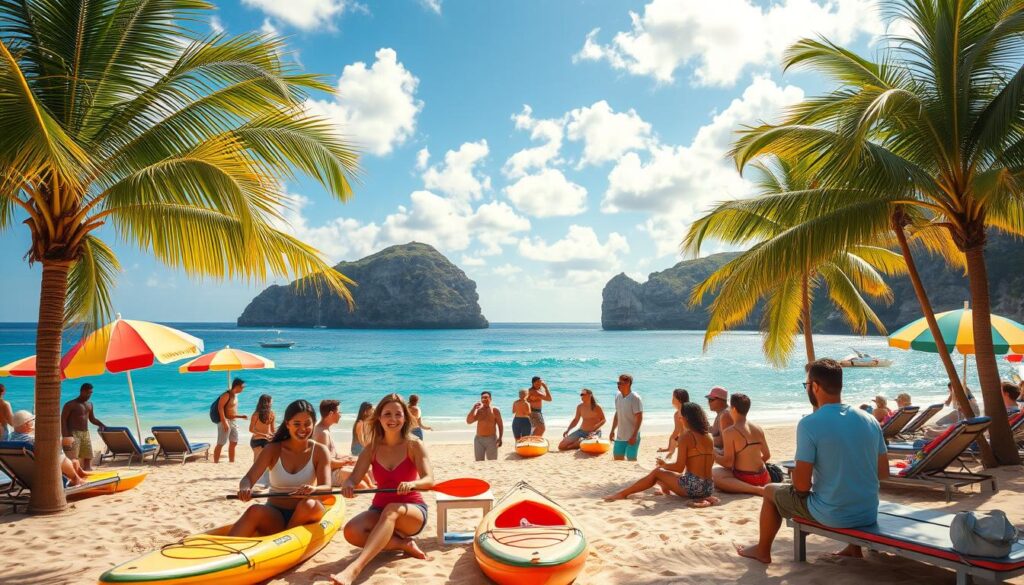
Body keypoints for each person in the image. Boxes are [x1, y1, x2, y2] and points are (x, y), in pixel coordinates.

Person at [736, 358, 888, 564]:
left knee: (771, 490)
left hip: (833, 515)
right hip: (867, 512)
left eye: (806, 385)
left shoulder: (810, 424)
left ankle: (762, 550)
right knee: (847, 481)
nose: (807, 389)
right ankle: (854, 548)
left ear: (815, 386)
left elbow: (801, 485)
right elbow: (883, 473)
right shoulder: (869, 420)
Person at [331, 394, 434, 585]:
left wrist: (413, 484)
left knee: (392, 509)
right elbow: (354, 478)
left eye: (398, 414)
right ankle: (403, 544)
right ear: (379, 417)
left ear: (405, 417)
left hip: (412, 512)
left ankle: (354, 569)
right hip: (378, 511)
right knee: (351, 531)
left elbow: (429, 480)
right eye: (387, 414)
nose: (393, 419)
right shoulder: (372, 447)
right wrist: (349, 485)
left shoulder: (414, 444)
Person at [231, 400, 331, 537]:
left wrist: (314, 490)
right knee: (254, 510)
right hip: (275, 514)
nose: (303, 429)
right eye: (297, 424)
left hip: (306, 513)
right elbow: (248, 479)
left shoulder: (320, 451)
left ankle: (284, 539)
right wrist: (245, 488)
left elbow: (327, 488)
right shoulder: (273, 449)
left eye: (307, 424)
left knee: (309, 505)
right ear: (287, 424)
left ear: (313, 423)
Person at [604, 402, 717, 507]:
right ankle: (667, 492)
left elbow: (679, 467)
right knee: (661, 475)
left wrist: (663, 465)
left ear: (687, 418)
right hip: (708, 487)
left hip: (694, 488)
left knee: (657, 472)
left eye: (681, 415)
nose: (679, 417)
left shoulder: (687, 437)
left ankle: (622, 494)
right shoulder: (708, 437)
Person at [10, 410, 88, 486]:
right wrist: (63, 441)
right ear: (25, 425)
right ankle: (76, 479)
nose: (33, 423)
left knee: (71, 460)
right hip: (41, 471)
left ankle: (75, 475)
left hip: (24, 473)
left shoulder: (12, 440)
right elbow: (49, 446)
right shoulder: (29, 441)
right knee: (61, 457)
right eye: (31, 421)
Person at [713, 393, 771, 496]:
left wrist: (713, 455)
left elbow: (728, 463)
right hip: (764, 476)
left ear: (734, 409)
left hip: (746, 478)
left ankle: (754, 489)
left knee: (713, 474)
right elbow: (767, 455)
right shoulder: (757, 428)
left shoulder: (730, 432)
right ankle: (757, 486)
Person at [313, 400, 370, 488]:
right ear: (331, 413)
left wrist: (345, 458)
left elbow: (331, 455)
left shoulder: (323, 429)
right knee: (362, 484)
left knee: (362, 471)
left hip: (333, 469)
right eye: (339, 412)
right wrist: (345, 462)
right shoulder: (323, 433)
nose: (340, 415)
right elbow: (327, 463)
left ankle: (372, 486)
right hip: (328, 474)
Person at [60, 383, 106, 471]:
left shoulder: (90, 404)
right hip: (73, 433)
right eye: (88, 393)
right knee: (73, 457)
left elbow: (92, 419)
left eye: (91, 393)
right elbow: (63, 420)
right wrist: (66, 436)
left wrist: (102, 425)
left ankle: (88, 470)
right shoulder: (70, 404)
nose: (89, 395)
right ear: (82, 391)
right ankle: (74, 474)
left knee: (87, 455)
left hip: (85, 433)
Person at [609, 374, 643, 461]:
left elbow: (639, 417)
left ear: (628, 383)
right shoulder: (618, 396)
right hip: (620, 435)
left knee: (631, 460)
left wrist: (634, 435)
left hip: (632, 436)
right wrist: (612, 430)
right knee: (617, 459)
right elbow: (617, 414)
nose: (618, 385)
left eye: (620, 383)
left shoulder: (635, 398)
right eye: (618, 383)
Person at [214, 378, 247, 463]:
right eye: (242, 387)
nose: (243, 389)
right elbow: (220, 407)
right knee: (221, 443)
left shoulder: (235, 396)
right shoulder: (226, 395)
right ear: (237, 386)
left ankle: (231, 462)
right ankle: (215, 463)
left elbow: (230, 410)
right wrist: (224, 421)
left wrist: (240, 416)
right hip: (225, 421)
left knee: (234, 442)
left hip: (233, 421)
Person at [466, 391, 503, 461]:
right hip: (479, 440)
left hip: (491, 439)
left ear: (490, 399)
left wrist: (500, 438)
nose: (484, 399)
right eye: (482, 398)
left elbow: (500, 425)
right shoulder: (479, 410)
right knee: (479, 461)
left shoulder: (495, 410)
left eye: (486, 397)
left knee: (492, 461)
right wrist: (474, 408)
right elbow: (469, 421)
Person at [658, 389, 690, 459]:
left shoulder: (677, 414)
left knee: (674, 441)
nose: (672, 400)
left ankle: (669, 453)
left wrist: (669, 447)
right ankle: (670, 453)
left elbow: (676, 431)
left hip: (684, 440)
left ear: (678, 400)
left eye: (673, 398)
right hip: (692, 438)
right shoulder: (690, 411)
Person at [249, 394, 276, 461]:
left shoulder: (255, 414)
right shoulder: (271, 414)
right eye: (271, 401)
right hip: (264, 440)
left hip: (256, 440)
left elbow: (251, 430)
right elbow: (273, 431)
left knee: (257, 461)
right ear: (267, 402)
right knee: (265, 461)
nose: (272, 403)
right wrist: (266, 435)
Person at [706, 386, 734, 451]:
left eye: (711, 400)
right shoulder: (721, 413)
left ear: (722, 400)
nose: (709, 402)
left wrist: (704, 440)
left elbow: (722, 441)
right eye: (708, 400)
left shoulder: (725, 414)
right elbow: (717, 431)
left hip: (727, 453)